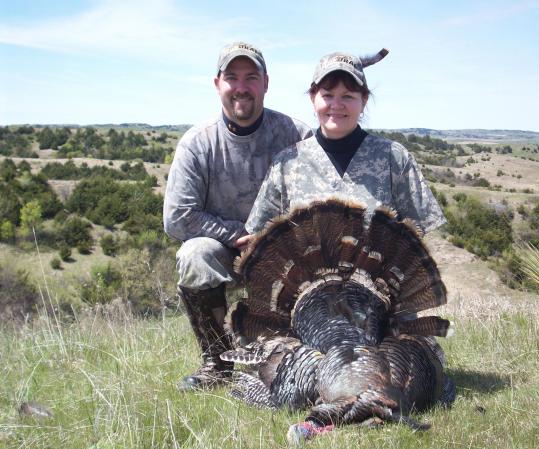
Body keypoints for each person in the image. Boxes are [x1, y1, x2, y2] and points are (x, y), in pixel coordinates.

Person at [163, 42, 312, 391]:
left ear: (265, 83)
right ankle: (217, 362)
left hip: (285, 253)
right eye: (232, 77)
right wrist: (235, 234)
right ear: (218, 84)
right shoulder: (197, 143)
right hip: (228, 251)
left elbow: (316, 206)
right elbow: (177, 217)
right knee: (194, 256)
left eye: (251, 77)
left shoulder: (297, 135)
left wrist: (269, 238)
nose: (241, 87)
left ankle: (305, 357)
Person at [245, 48, 445, 236]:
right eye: (327, 95)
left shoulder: (394, 157)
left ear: (364, 100)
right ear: (313, 98)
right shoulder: (288, 163)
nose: (336, 105)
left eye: (348, 96)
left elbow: (422, 234)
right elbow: (261, 235)